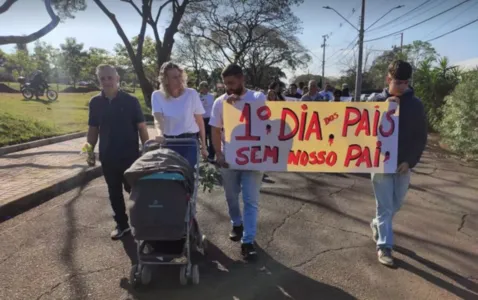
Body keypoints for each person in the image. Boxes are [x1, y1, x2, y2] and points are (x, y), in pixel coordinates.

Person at [368, 60, 427, 267]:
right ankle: (384, 246)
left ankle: (377, 225)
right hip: (380, 162)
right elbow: (361, 130)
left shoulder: (416, 105)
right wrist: (384, 107)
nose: (401, 86)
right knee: (384, 207)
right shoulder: (375, 100)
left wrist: (410, 161)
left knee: (396, 204)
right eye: (397, 82)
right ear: (388, 79)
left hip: (403, 164)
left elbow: (421, 137)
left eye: (404, 82)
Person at [87, 64, 150, 240]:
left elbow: (142, 128)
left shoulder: (130, 101)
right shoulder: (95, 102)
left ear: (117, 78)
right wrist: (89, 150)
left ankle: (145, 223)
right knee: (114, 192)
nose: (107, 81)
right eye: (102, 78)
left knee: (135, 191)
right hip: (108, 156)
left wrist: (147, 151)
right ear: (98, 80)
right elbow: (93, 129)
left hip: (130, 156)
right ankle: (122, 225)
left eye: (110, 77)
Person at [209, 64, 265, 261]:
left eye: (232, 83)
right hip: (229, 158)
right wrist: (218, 153)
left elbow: (268, 122)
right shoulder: (220, 102)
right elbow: (215, 130)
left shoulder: (258, 98)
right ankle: (236, 223)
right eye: (225, 84)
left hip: (254, 158)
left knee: (251, 200)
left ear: (242, 79)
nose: (229, 88)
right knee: (231, 195)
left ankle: (248, 242)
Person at [151, 61, 208, 160]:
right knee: (170, 172)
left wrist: (204, 146)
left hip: (189, 141)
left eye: (179, 76)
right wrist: (160, 134)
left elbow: (200, 121)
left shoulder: (191, 94)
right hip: (169, 141)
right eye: (174, 77)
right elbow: (158, 119)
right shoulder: (157, 95)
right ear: (166, 80)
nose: (179, 80)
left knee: (188, 172)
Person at [198, 81, 216, 162]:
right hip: (201, 119)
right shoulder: (197, 96)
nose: (204, 89)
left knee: (212, 138)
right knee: (203, 138)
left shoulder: (211, 96)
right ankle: (204, 155)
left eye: (205, 87)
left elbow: (210, 105)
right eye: (202, 87)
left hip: (210, 119)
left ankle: (211, 155)